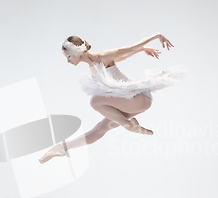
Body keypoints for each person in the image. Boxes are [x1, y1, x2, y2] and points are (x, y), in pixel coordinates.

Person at [39, 33, 186, 164]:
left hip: (139, 98)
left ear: (76, 51)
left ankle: (128, 126)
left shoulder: (102, 57)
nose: (68, 61)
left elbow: (129, 48)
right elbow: (124, 56)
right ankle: (61, 148)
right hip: (131, 103)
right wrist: (142, 50)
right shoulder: (92, 66)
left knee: (95, 101)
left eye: (68, 56)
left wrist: (157, 36)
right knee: (99, 129)